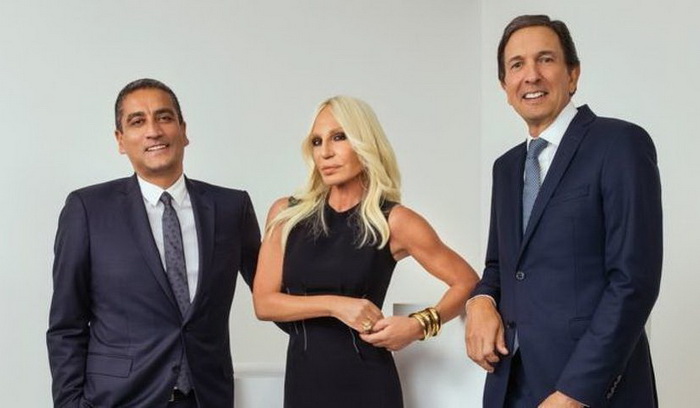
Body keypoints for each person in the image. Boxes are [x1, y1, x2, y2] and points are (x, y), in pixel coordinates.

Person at [465, 15, 662, 408]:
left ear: (573, 74)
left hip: (590, 390)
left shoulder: (619, 144)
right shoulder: (506, 168)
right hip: (510, 385)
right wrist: (480, 301)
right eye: (517, 65)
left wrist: (576, 391)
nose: (531, 75)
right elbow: (500, 266)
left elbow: (632, 282)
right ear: (505, 87)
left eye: (546, 59)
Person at [46, 78, 261, 407]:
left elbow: (272, 293)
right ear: (120, 140)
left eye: (164, 117)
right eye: (137, 121)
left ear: (183, 131)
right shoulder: (88, 210)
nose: (153, 131)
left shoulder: (231, 208)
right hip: (119, 399)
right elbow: (66, 325)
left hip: (206, 397)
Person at [253, 95, 478, 408]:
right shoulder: (286, 215)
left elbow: (467, 281)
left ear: (364, 143)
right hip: (303, 386)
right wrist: (336, 305)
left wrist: (418, 325)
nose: (325, 152)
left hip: (369, 384)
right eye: (317, 141)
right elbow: (264, 303)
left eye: (339, 137)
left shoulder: (394, 221)